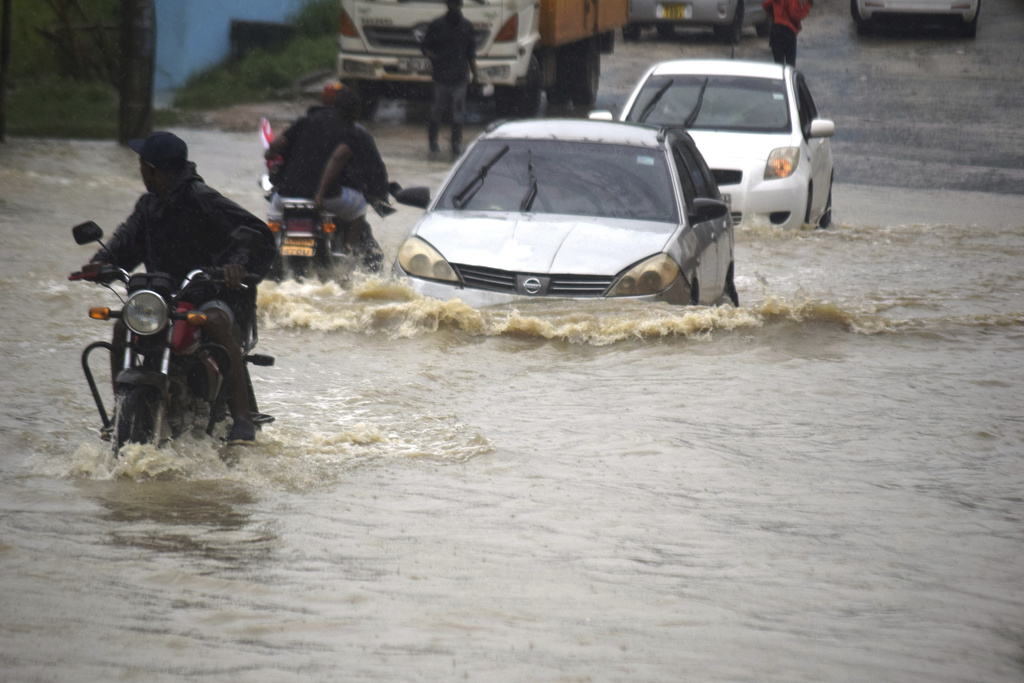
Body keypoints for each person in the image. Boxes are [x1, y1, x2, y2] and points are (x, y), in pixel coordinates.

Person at [77, 131, 275, 443]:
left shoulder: (203, 199)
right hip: (160, 297)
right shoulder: (148, 206)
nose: (142, 172)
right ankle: (121, 410)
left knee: (216, 322)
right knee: (121, 326)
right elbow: (125, 240)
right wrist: (103, 262)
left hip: (209, 293)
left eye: (143, 166)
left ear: (152, 169)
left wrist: (238, 264)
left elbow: (257, 234)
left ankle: (242, 418)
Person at [264, 85, 389, 269]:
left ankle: (270, 251)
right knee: (359, 208)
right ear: (355, 111)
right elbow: (337, 160)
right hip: (325, 198)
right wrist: (320, 194)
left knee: (274, 212)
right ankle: (346, 251)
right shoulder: (352, 132)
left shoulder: (304, 122)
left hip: (287, 194)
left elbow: (276, 145)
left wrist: (270, 154)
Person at [421, 0, 479, 157]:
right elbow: (425, 46)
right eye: (452, 5)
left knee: (458, 112)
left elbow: (471, 53)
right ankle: (433, 142)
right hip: (442, 76)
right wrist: (434, 57)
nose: (454, 8)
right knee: (438, 110)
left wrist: (475, 74)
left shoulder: (466, 27)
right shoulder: (437, 25)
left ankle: (455, 145)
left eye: (456, 5)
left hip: (459, 77)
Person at [762, 0, 813, 67]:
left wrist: (774, 15)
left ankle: (779, 76)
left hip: (775, 30)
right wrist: (807, 6)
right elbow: (794, 15)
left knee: (778, 65)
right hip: (788, 32)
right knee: (790, 65)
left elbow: (765, 5)